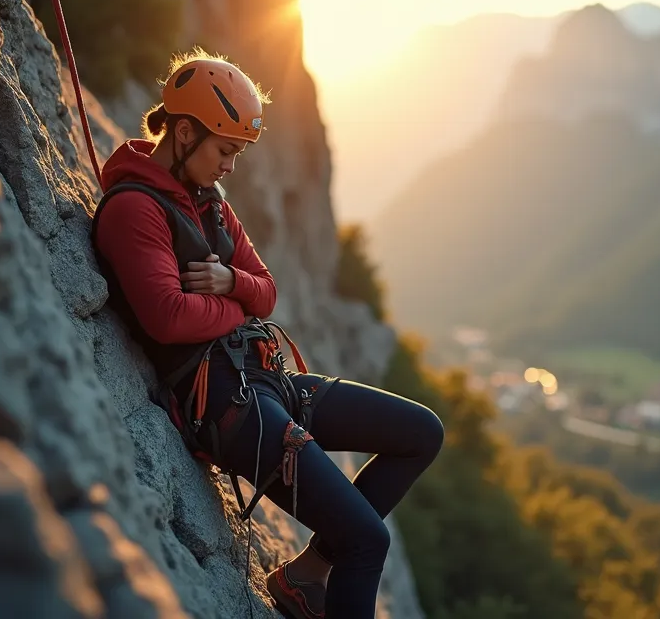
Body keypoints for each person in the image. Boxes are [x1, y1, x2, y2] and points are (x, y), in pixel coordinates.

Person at [90, 49, 444, 619]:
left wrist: (229, 280)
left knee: (421, 431)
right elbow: (167, 316)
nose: (232, 165)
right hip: (227, 408)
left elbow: (267, 289)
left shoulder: (211, 204)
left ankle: (306, 577)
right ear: (184, 133)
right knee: (366, 541)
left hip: (263, 382)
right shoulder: (135, 209)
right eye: (225, 150)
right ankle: (313, 584)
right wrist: (236, 305)